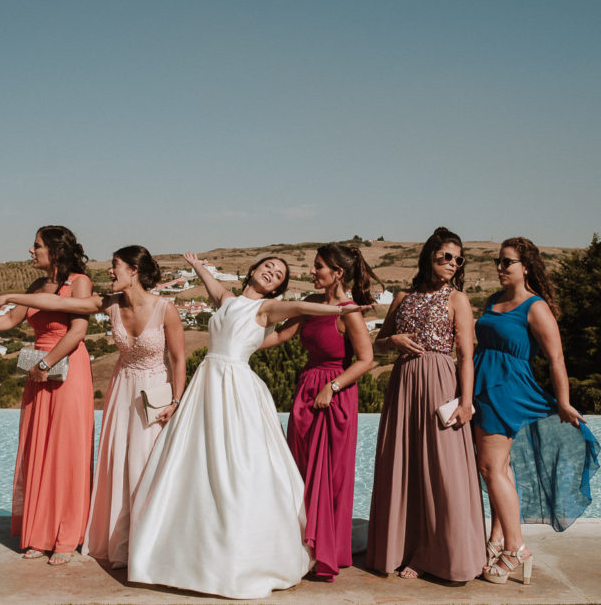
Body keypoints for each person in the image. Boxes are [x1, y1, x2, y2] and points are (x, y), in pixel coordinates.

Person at [127, 253, 373, 599]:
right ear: (254, 270)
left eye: (279, 275)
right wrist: (198, 266)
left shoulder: (269, 309)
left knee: (239, 463)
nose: (272, 274)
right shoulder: (228, 300)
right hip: (206, 382)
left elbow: (302, 310)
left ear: (278, 287)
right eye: (268, 267)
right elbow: (215, 289)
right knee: (192, 461)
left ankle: (241, 552)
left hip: (235, 384)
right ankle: (179, 549)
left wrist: (339, 311)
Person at [0, 245, 186, 569]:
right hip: (122, 390)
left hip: (156, 391)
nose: (109, 271)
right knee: (117, 463)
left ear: (133, 270)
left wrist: (176, 400)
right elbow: (58, 303)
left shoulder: (167, 309)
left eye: (115, 266)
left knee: (148, 464)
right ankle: (121, 545)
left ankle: (153, 544)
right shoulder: (109, 304)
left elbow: (178, 360)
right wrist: (14, 296)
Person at [0, 225, 94, 566]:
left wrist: (46, 362)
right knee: (37, 448)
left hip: (66, 369)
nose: (31, 250)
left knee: (65, 450)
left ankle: (66, 536)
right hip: (38, 372)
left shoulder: (79, 282)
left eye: (37, 245)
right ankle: (40, 533)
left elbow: (78, 331)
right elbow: (10, 320)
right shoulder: (35, 287)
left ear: (54, 250)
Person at [473, 237, 600, 585]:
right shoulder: (492, 300)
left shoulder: (535, 306)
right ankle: (497, 540)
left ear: (526, 266)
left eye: (508, 262)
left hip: (508, 391)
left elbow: (556, 357)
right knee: (499, 467)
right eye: (499, 261)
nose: (500, 267)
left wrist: (563, 400)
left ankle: (516, 548)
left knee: (490, 466)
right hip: (485, 386)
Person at [366, 227, 486, 583]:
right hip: (403, 385)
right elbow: (378, 344)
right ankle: (404, 550)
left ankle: (444, 554)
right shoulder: (403, 296)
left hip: (440, 382)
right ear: (430, 255)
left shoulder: (458, 299)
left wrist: (466, 402)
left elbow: (466, 355)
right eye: (446, 256)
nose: (452, 263)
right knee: (404, 466)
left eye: (458, 259)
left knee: (442, 470)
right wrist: (394, 339)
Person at [258, 243, 378, 581]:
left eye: (319, 267)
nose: (312, 272)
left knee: (328, 477)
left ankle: (327, 550)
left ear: (337, 273)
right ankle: (299, 546)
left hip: (334, 395)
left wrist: (333, 387)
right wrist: (240, 343)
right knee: (299, 471)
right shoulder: (310, 305)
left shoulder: (349, 311)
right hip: (307, 391)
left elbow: (367, 360)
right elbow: (280, 335)